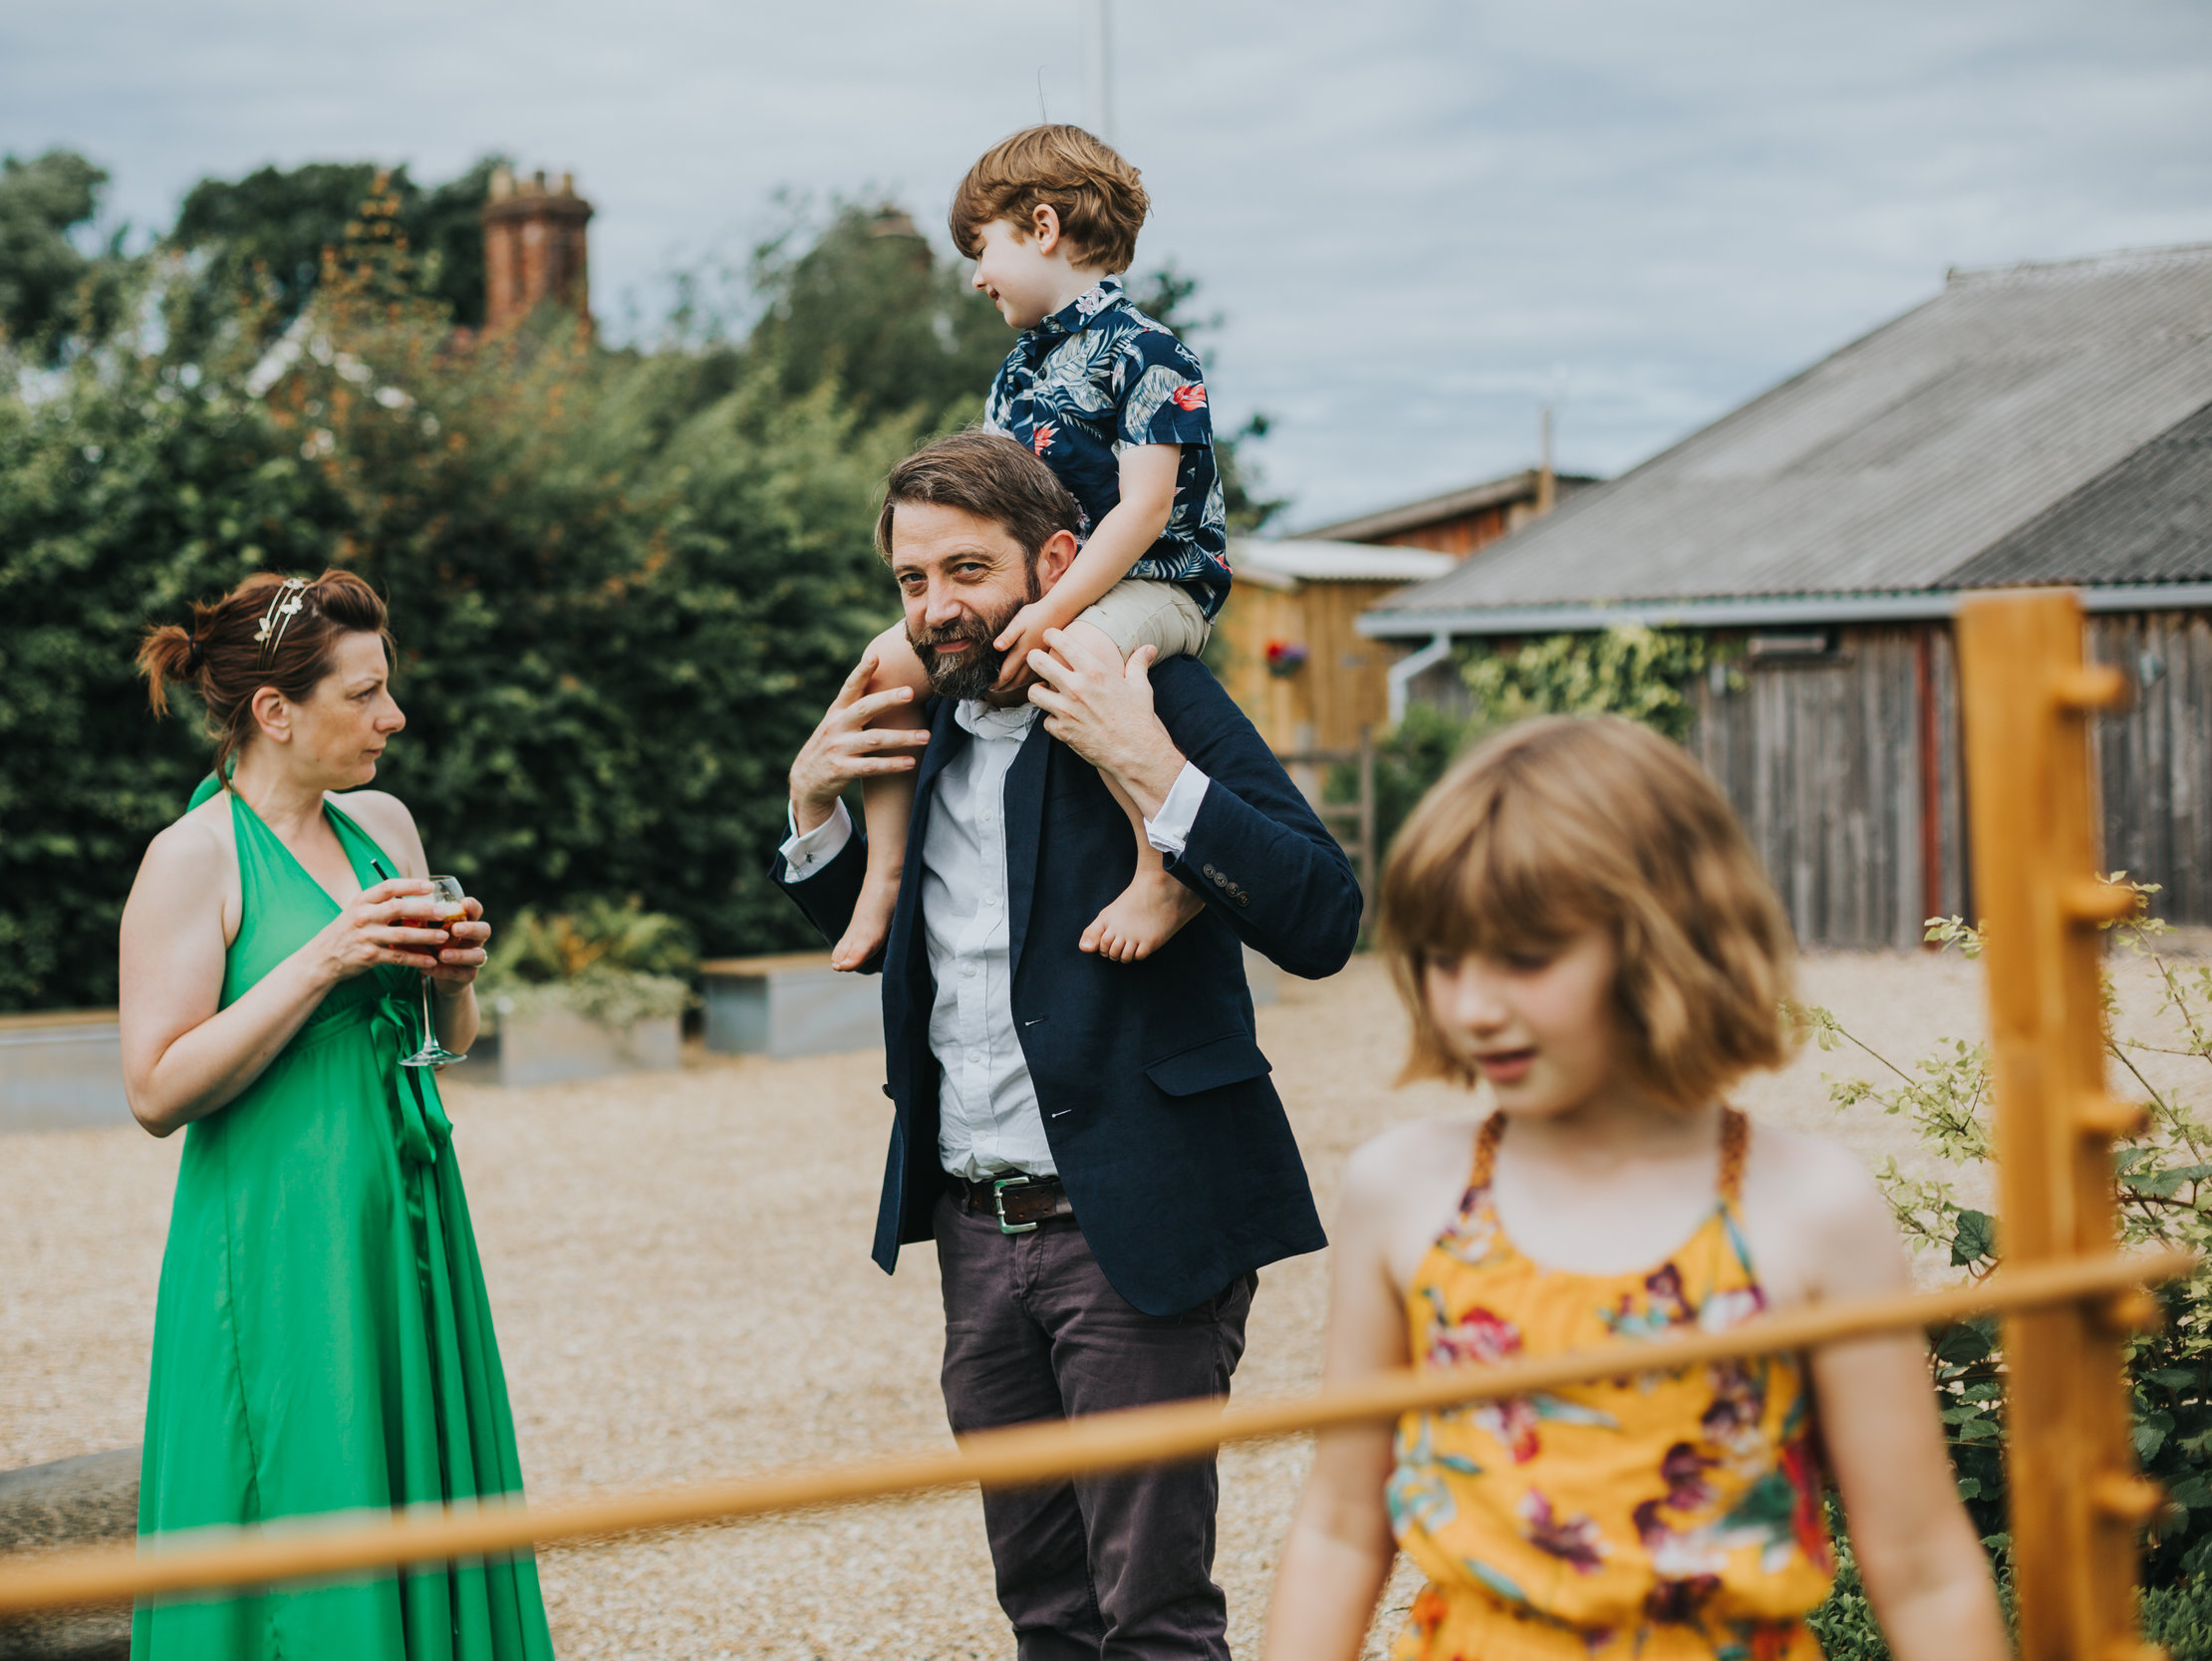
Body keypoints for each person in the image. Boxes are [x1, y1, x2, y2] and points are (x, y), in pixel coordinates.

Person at [775, 433, 1359, 1660]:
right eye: (910, 579)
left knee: (1151, 1619)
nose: (937, 609)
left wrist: (1148, 763)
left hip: (1135, 1226)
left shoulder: (1150, 689)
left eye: (967, 571)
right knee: (1043, 1610)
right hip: (978, 1235)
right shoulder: (919, 720)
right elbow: (892, 943)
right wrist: (811, 804)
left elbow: (1323, 916)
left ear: (1056, 560)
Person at [1261, 717, 2009, 1661]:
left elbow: (1924, 1565)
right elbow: (1339, 1528)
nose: (1472, 1006)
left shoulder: (1812, 1208)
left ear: (1667, 941)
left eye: (1526, 958)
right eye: (1446, 959)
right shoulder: (1403, 1191)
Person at [120, 570, 554, 1661]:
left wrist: (457, 976)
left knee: (417, 1491)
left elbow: (442, 1042)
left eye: (386, 690)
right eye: (363, 695)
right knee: (307, 1480)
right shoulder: (193, 858)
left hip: (405, 1210)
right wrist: (324, 957)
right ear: (277, 710)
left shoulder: (385, 824)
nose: (391, 718)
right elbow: (155, 1089)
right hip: (277, 1236)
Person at [833, 124, 1231, 975]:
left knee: (1077, 655)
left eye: (983, 248)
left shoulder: (1151, 353)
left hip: (1158, 581)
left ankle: (1162, 869)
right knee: (880, 672)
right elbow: (985, 505)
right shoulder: (1014, 375)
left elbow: (1146, 509)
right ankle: (886, 869)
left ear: (1042, 228)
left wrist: (1051, 610)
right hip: (1057, 585)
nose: (975, 275)